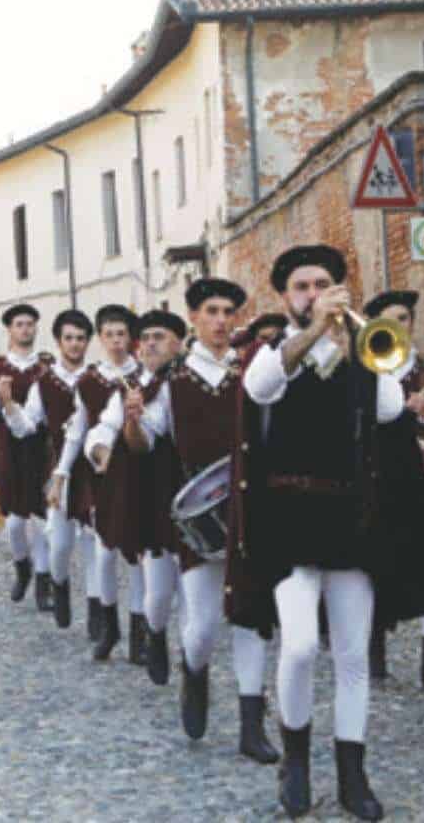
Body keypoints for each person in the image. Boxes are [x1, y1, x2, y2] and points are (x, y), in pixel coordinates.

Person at [231, 245, 424, 820]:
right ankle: (295, 758)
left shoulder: (362, 348)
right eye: (302, 286)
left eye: (323, 283)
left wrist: (360, 353)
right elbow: (260, 388)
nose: (314, 293)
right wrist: (312, 328)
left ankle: (353, 772)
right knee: (298, 646)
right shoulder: (271, 351)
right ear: (285, 297)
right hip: (290, 522)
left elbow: (389, 412)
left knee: (352, 655)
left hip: (352, 520)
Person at [123, 280, 280, 765]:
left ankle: (252, 725)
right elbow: (145, 440)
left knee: (252, 619)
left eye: (228, 311)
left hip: (251, 508)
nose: (220, 320)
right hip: (200, 516)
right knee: (204, 624)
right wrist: (131, 420)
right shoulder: (173, 381)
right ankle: (194, 670)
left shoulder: (252, 374)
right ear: (193, 318)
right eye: (211, 311)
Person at [84, 309, 188, 683]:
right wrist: (106, 449)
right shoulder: (129, 389)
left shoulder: (191, 383)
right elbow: (104, 431)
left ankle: (194, 669)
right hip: (153, 497)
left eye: (158, 337)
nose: (149, 345)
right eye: (144, 338)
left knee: (195, 593)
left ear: (178, 342)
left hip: (196, 498)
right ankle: (154, 632)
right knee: (157, 592)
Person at [52, 305, 145, 662]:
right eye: (109, 334)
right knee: (104, 555)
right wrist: (60, 475)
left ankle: (140, 634)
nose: (116, 341)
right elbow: (76, 432)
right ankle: (109, 625)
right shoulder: (89, 381)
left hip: (137, 473)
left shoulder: (144, 376)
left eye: (122, 334)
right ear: (101, 339)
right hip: (100, 475)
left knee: (135, 556)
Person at [362, 290, 424, 685]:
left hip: (420, 469)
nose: (400, 326)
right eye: (391, 319)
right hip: (379, 473)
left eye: (406, 318)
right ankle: (374, 648)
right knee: (375, 559)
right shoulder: (366, 368)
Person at [7, 309, 95, 631]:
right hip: (59, 469)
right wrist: (9, 407)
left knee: (95, 544)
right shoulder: (44, 383)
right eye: (69, 338)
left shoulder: (96, 379)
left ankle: (100, 616)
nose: (75, 344)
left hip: (95, 471)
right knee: (59, 543)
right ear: (59, 341)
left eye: (81, 338)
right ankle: (59, 583)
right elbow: (27, 426)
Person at [0, 304, 51, 610]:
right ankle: (22, 568)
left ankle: (45, 584)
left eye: (29, 324)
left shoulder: (46, 368)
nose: (25, 329)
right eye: (19, 324)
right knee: (14, 523)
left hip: (40, 448)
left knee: (42, 520)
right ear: (9, 330)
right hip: (8, 449)